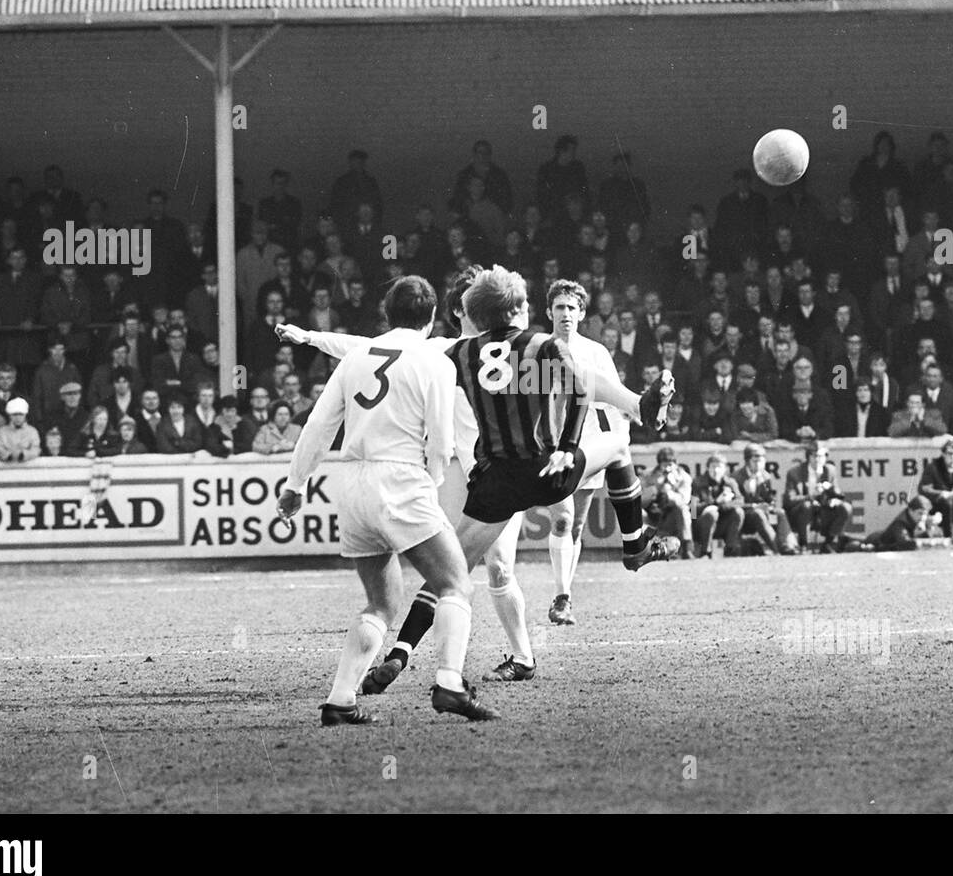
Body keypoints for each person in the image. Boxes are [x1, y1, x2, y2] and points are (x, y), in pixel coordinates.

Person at [278, 266, 677, 694]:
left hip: (489, 482)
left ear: (474, 312)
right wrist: (575, 439)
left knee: (457, 575)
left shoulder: (454, 355)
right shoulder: (530, 349)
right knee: (615, 447)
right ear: (518, 309)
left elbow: (377, 351)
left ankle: (415, 656)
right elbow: (583, 383)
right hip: (535, 471)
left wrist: (313, 339)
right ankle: (633, 542)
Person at [277, 276, 499, 724]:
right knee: (456, 584)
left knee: (381, 603)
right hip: (401, 478)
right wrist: (432, 485)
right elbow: (441, 441)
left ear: (386, 312)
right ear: (434, 315)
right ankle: (450, 685)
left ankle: (340, 701)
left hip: (354, 483)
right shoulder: (436, 361)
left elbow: (320, 425)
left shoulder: (357, 357)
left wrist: (295, 484)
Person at [542, 280, 627, 627]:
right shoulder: (536, 350)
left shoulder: (596, 352)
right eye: (559, 307)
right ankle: (562, 596)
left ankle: (564, 596)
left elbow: (614, 399)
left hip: (587, 447)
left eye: (571, 308)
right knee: (561, 519)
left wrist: (617, 439)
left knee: (575, 526)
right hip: (548, 449)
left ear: (581, 313)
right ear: (549, 312)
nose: (565, 314)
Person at [783, 441, 852, 553]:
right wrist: (811, 496)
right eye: (814, 456)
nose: (818, 459)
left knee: (845, 508)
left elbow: (838, 494)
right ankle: (803, 545)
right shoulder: (794, 473)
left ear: (826, 457)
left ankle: (828, 544)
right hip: (801, 512)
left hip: (823, 511)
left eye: (821, 456)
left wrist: (834, 498)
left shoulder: (830, 470)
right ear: (808, 457)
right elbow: (789, 500)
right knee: (806, 506)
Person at [735, 444, 797, 555]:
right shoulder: (737, 477)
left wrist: (770, 504)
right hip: (744, 516)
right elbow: (735, 504)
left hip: (762, 511)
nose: (759, 464)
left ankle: (788, 546)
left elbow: (767, 498)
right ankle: (776, 549)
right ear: (747, 461)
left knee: (780, 513)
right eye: (755, 461)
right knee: (758, 513)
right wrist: (754, 506)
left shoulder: (765, 476)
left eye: (762, 461)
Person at [641, 447, 695, 557]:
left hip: (673, 515)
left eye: (670, 464)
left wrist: (670, 492)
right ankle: (642, 550)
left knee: (683, 509)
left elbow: (685, 500)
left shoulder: (684, 477)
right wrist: (656, 488)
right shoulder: (647, 476)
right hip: (653, 514)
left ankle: (687, 548)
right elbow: (640, 500)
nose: (667, 468)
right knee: (637, 512)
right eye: (664, 465)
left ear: (676, 464)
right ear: (659, 465)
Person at [693, 452, 744, 558]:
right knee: (712, 514)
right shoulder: (697, 483)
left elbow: (740, 501)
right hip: (701, 525)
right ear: (707, 468)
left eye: (719, 467)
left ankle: (731, 550)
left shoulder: (730, 482)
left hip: (723, 525)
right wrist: (715, 503)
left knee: (738, 512)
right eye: (713, 467)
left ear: (725, 469)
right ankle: (705, 552)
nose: (716, 470)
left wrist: (725, 505)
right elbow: (693, 510)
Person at [867, 496, 945, 551]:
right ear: (910, 511)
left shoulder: (922, 519)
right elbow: (905, 544)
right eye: (920, 513)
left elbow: (940, 536)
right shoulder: (900, 523)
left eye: (925, 514)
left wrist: (932, 527)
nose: (923, 517)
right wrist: (922, 535)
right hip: (875, 541)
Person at [0, 397, 42, 463]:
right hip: (6, 468)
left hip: (27, 468)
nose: (18, 417)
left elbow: (36, 449)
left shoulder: (32, 431)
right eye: (14, 414)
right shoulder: (2, 431)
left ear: (25, 415)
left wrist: (23, 455)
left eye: (20, 414)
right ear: (9, 415)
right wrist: (9, 455)